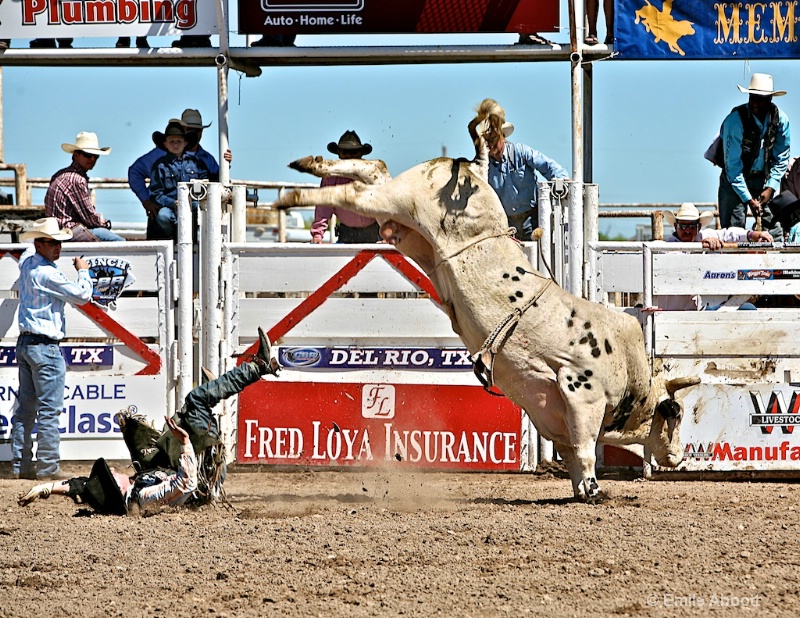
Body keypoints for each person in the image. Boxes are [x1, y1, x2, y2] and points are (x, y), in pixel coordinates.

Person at [18, 327, 282, 514]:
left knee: (185, 416)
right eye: (113, 477)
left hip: (199, 474)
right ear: (117, 489)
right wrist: (186, 442)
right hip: (203, 479)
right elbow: (186, 483)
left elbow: (77, 485)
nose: (114, 472)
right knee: (196, 401)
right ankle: (258, 367)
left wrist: (46, 488)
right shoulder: (144, 495)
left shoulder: (135, 487)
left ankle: (212, 398)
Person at [12, 218, 93, 481]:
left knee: (26, 409)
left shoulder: (28, 263)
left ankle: (20, 466)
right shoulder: (48, 273)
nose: (58, 247)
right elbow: (82, 296)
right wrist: (83, 271)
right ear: (40, 244)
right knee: (49, 409)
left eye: (59, 242)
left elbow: (25, 250)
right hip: (45, 347)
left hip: (25, 343)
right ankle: (47, 467)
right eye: (52, 242)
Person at [473, 98, 569, 242]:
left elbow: (549, 166)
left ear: (502, 137)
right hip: (504, 223)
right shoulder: (484, 166)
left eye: (492, 139)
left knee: (538, 253)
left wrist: (560, 180)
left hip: (533, 218)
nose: (489, 144)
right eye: (486, 140)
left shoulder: (521, 152)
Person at [128, 109, 231, 238]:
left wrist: (226, 164)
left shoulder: (204, 159)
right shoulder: (159, 157)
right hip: (166, 213)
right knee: (164, 218)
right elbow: (135, 172)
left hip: (192, 213)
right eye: (191, 129)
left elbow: (216, 180)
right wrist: (147, 200)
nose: (196, 133)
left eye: (199, 130)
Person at [652, 202, 772, 311]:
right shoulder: (667, 247)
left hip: (698, 310)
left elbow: (727, 234)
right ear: (675, 226)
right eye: (683, 226)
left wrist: (752, 234)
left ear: (698, 227)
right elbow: (678, 260)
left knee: (748, 309)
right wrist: (701, 246)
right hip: (673, 314)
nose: (687, 230)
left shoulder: (701, 236)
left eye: (692, 226)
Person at [718, 73, 790, 239]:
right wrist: (749, 199)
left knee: (774, 229)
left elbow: (782, 158)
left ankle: (774, 264)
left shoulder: (781, 121)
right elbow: (733, 167)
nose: (755, 103)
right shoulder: (735, 121)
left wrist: (771, 186)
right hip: (733, 180)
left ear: (770, 99)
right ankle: (734, 265)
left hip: (763, 180)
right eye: (753, 97)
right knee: (733, 232)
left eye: (761, 98)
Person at [45, 131, 125, 242]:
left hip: (55, 229)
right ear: (76, 155)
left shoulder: (60, 174)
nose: (92, 159)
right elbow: (89, 218)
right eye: (88, 154)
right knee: (119, 242)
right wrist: (104, 223)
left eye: (96, 156)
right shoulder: (77, 180)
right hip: (69, 231)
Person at [310, 130, 381, 244]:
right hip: (346, 235)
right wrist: (317, 235)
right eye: (345, 152)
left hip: (375, 235)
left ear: (360, 153)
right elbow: (323, 208)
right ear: (339, 153)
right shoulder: (331, 177)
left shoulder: (372, 172)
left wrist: (389, 234)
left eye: (353, 152)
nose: (349, 156)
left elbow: (385, 204)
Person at [148, 121, 210, 239]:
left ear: (185, 143)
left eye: (179, 141)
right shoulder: (160, 165)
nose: (175, 144)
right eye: (172, 141)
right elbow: (156, 193)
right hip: (170, 208)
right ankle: (173, 240)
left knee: (202, 212)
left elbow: (205, 183)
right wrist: (173, 203)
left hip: (193, 205)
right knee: (163, 216)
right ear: (165, 144)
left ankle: (194, 240)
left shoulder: (196, 163)